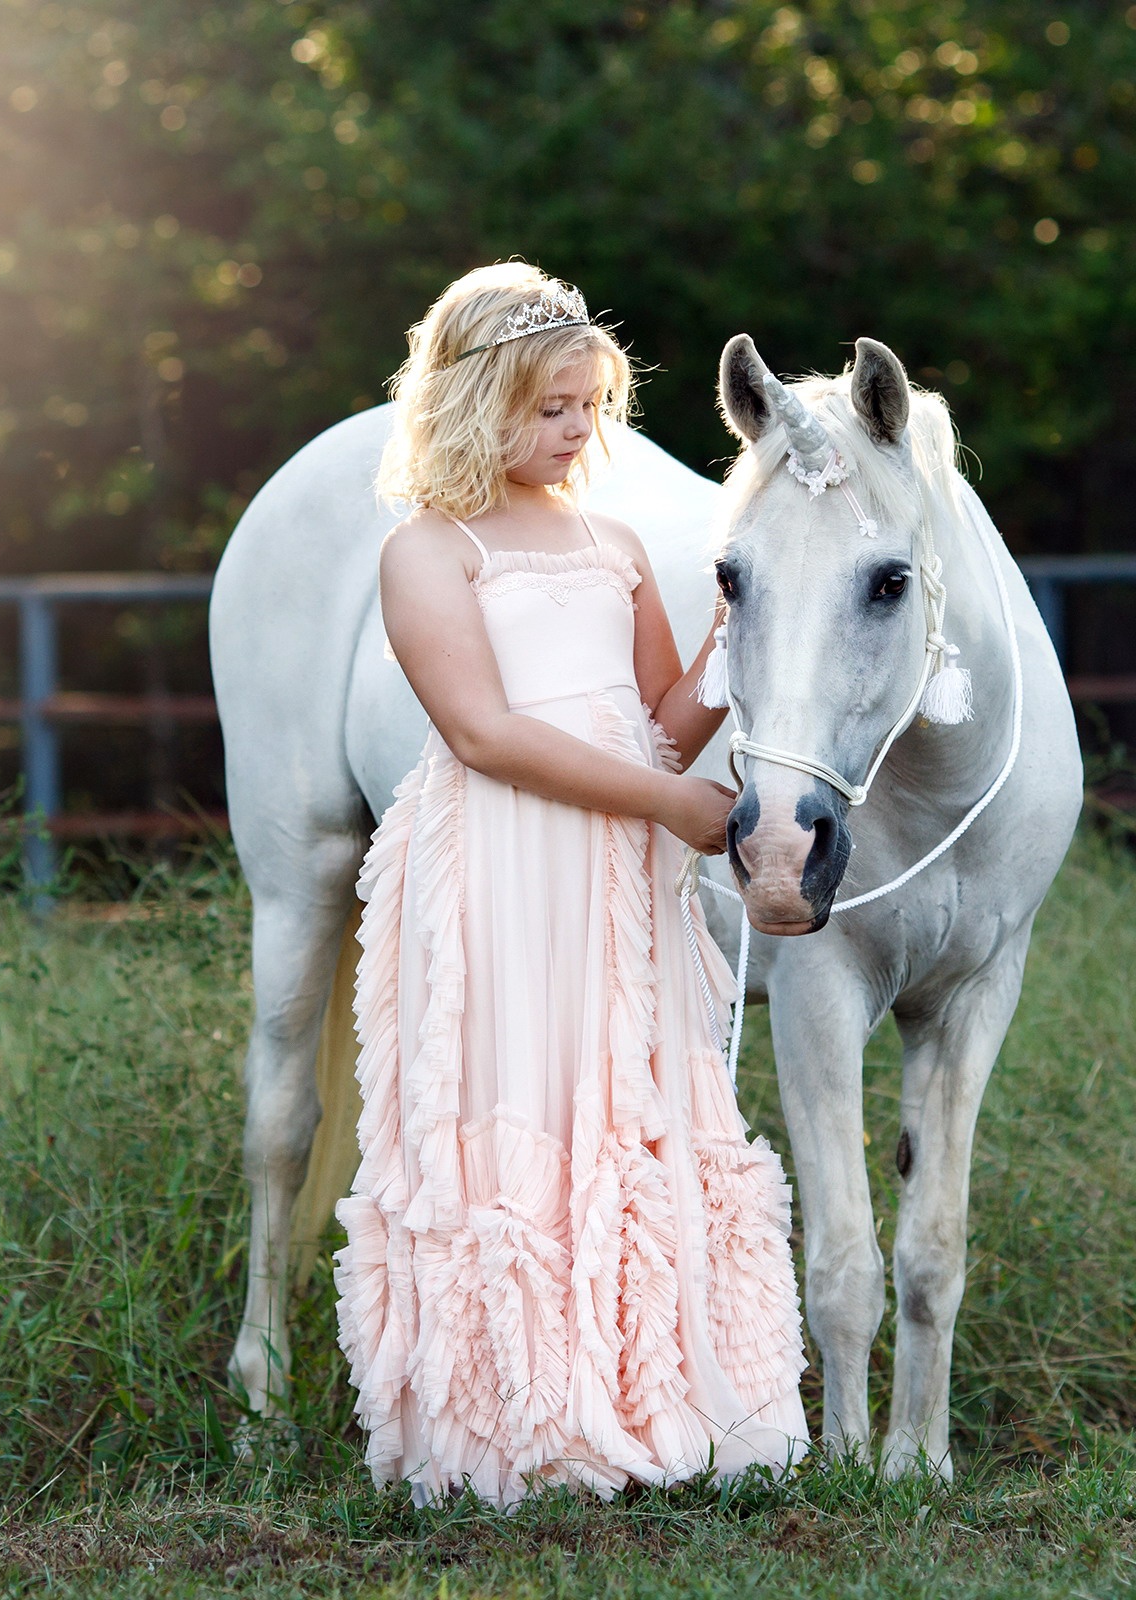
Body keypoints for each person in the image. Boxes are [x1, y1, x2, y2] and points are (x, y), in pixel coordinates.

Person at [332, 263, 810, 1507]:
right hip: (505, 859)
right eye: (551, 407)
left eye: (590, 408)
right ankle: (521, 1426)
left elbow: (659, 719)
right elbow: (486, 733)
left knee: (630, 1102)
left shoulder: (614, 544)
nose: (578, 431)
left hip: (615, 862)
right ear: (476, 401)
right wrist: (673, 807)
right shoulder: (429, 550)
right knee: (523, 1096)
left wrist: (727, 640)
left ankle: (665, 1399)